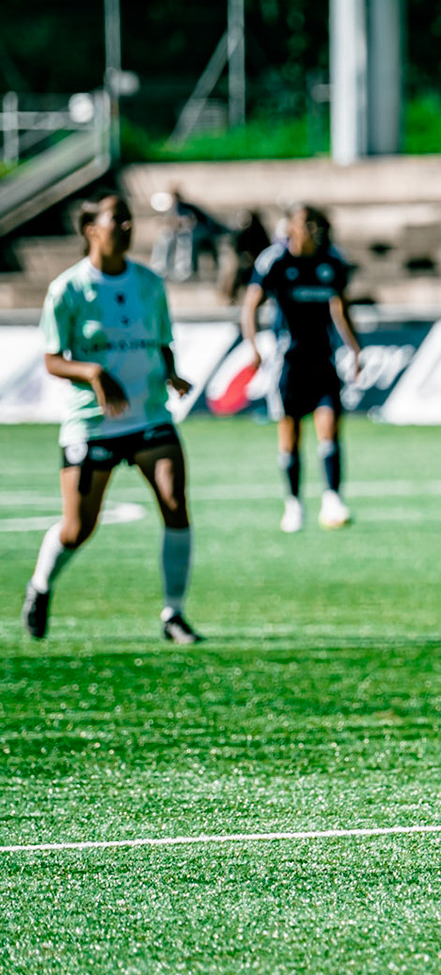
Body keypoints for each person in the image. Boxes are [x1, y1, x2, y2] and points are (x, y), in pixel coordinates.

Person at [22, 195, 203, 644]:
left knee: (175, 502)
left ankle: (173, 614)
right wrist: (92, 371)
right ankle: (40, 587)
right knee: (78, 528)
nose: (125, 226)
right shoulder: (68, 289)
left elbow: (160, 339)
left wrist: (172, 372)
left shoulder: (148, 283)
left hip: (149, 417)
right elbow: (52, 359)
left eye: (128, 218)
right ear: (92, 229)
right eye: (115, 219)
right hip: (93, 424)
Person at [241, 204, 362, 533]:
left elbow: (341, 306)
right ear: (291, 227)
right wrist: (252, 345)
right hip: (288, 362)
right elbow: (250, 304)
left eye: (314, 223)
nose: (312, 229)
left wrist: (354, 347)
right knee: (290, 435)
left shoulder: (331, 259)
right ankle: (293, 503)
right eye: (305, 223)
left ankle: (333, 498)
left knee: (330, 427)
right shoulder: (275, 260)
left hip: (323, 358)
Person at [224, 210, 272, 305]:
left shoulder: (260, 233)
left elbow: (266, 247)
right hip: (244, 262)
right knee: (236, 274)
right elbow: (236, 248)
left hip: (258, 262)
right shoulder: (240, 233)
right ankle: (232, 297)